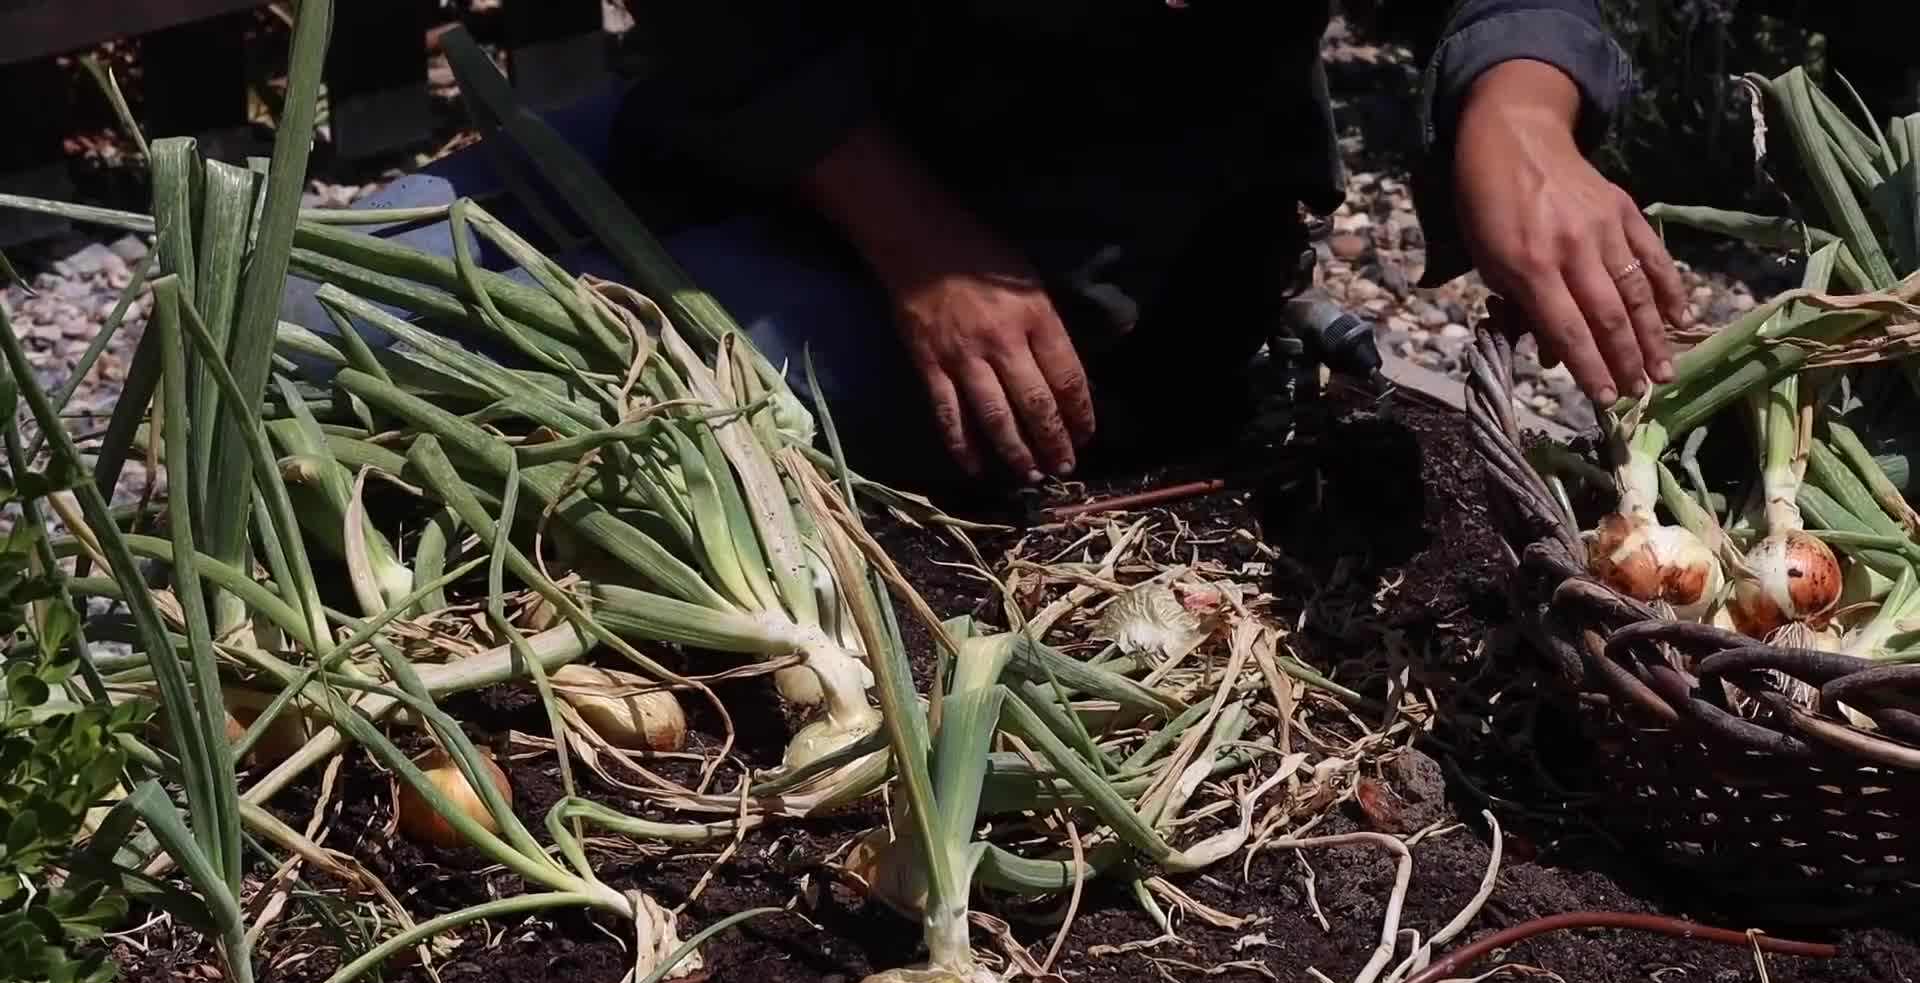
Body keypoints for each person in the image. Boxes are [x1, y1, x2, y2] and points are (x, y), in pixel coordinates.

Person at [285, 2, 1689, 497]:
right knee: (298, 311)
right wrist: (911, 232)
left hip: (1089, 263)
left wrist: (1521, 114)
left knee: (588, 432)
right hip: (788, 128)